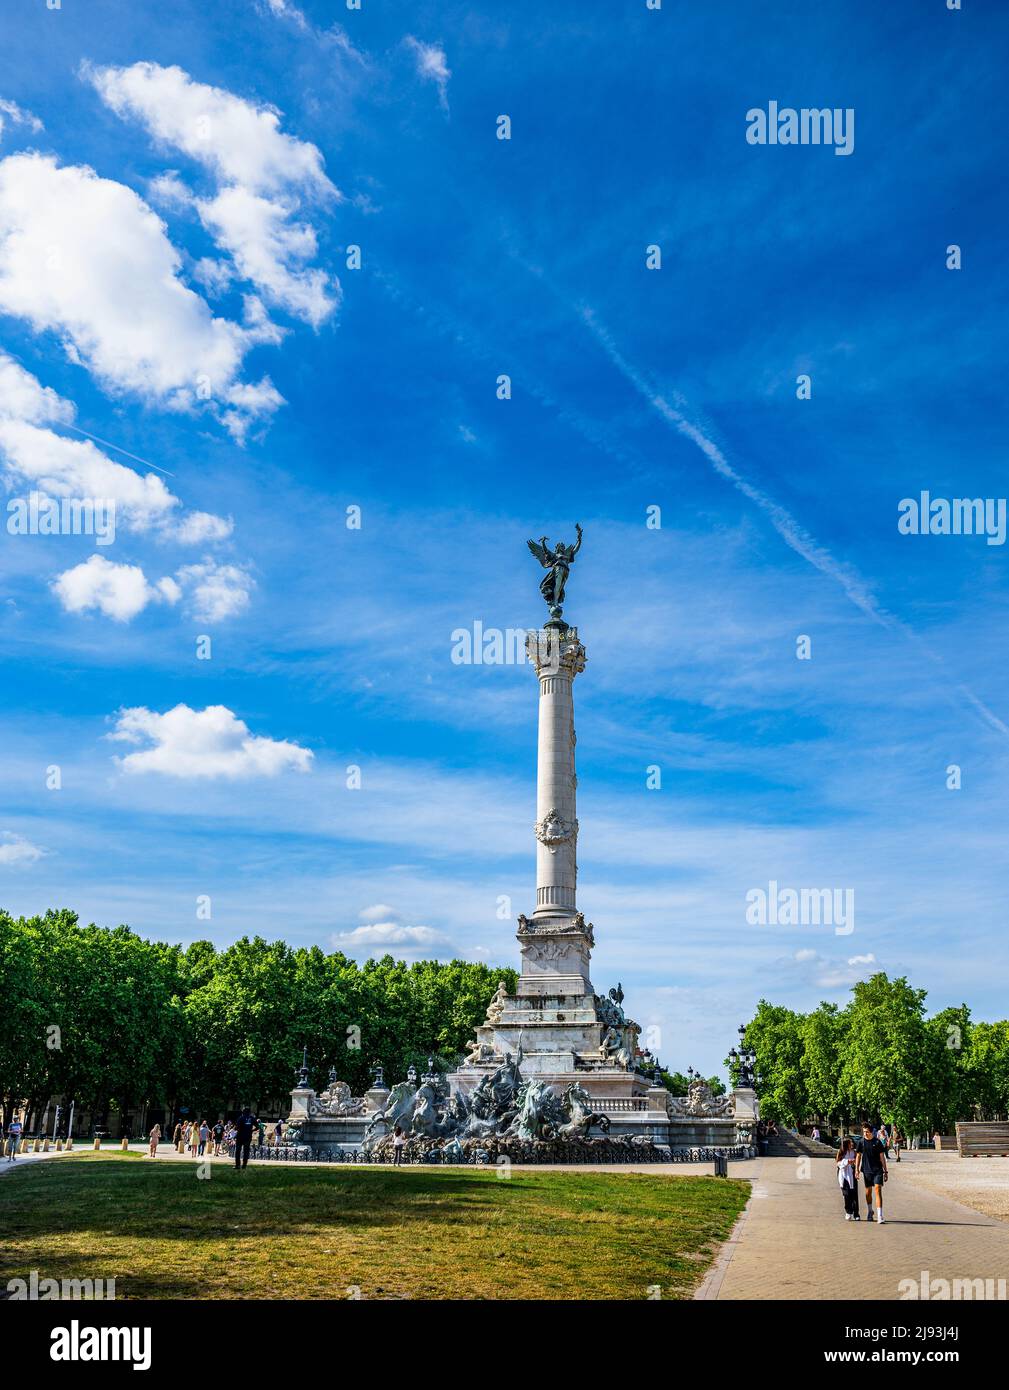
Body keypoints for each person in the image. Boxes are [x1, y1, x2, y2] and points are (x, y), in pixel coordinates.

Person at [855, 1122, 889, 1223]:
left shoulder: (877, 1142)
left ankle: (880, 1215)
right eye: (864, 1132)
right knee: (868, 1192)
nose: (865, 1134)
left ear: (871, 1132)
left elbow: (882, 1157)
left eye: (867, 1132)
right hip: (866, 1170)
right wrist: (856, 1169)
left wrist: (885, 1171)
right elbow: (858, 1156)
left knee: (878, 1189)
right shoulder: (861, 1142)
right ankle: (870, 1211)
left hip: (877, 1170)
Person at [836, 1137, 859, 1220]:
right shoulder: (841, 1152)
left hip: (852, 1174)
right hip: (843, 1174)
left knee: (854, 1194)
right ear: (846, 1144)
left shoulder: (854, 1152)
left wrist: (854, 1164)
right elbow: (837, 1163)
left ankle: (856, 1214)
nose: (852, 1144)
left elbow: (858, 1161)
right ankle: (848, 1212)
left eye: (852, 1142)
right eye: (850, 1143)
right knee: (846, 1194)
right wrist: (846, 1162)